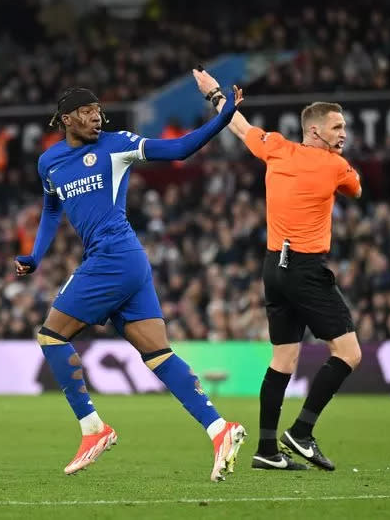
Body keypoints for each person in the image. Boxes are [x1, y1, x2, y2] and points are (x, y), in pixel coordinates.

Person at [15, 86, 246, 481]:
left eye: (98, 111)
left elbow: (178, 150)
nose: (96, 118)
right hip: (124, 262)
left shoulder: (117, 144)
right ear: (66, 119)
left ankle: (93, 429)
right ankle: (218, 428)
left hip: (114, 256)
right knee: (157, 354)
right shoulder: (49, 162)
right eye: (87, 112)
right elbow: (51, 210)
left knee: (52, 336)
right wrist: (35, 256)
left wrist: (223, 117)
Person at [192, 68, 363, 472]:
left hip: (274, 268)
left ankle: (267, 449)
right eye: (337, 127)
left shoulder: (277, 148)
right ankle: (301, 433)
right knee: (349, 353)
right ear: (316, 131)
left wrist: (214, 93)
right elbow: (356, 189)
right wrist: (337, 163)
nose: (343, 134)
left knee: (283, 359)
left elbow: (236, 124)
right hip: (305, 267)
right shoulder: (336, 166)